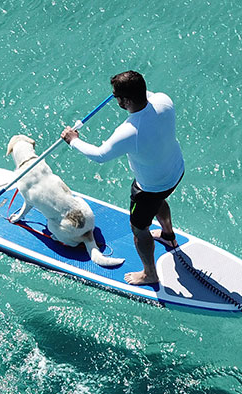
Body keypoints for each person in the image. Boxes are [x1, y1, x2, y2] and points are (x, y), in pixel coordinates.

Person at [61, 71, 184, 286]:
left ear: (125, 100)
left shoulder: (129, 131)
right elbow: (143, 95)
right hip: (175, 172)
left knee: (139, 229)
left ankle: (149, 274)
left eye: (116, 96)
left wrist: (73, 140)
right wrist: (125, 88)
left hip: (150, 187)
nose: (114, 99)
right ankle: (168, 235)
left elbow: (100, 155)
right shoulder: (164, 100)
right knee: (159, 200)